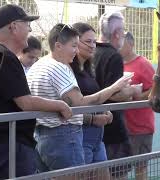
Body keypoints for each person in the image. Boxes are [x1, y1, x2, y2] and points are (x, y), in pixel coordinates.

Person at [27, 23, 131, 172]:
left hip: (44, 136)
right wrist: (115, 87)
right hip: (62, 137)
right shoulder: (58, 67)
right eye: (74, 46)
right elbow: (80, 103)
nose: (76, 51)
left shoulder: (39, 65)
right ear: (58, 46)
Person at [0, 5, 72, 179]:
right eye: (26, 23)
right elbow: (25, 102)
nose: (30, 28)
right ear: (13, 27)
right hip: (9, 145)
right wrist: (60, 104)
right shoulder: (5, 57)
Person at [94, 12, 137, 179]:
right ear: (117, 33)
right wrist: (133, 90)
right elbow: (114, 94)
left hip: (93, 129)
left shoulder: (91, 52)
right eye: (123, 31)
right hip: (112, 132)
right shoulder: (113, 56)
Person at [70, 22, 112, 179]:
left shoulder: (88, 69)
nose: (93, 45)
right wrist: (94, 118)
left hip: (97, 139)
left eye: (94, 41)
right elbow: (70, 109)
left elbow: (94, 99)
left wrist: (104, 111)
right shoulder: (67, 71)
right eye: (88, 41)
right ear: (75, 42)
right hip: (81, 138)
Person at [120, 32, 155, 180]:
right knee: (120, 170)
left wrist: (135, 96)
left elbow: (155, 89)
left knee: (140, 168)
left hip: (141, 128)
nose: (118, 45)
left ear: (131, 44)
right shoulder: (116, 63)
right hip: (121, 127)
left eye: (122, 42)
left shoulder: (143, 64)